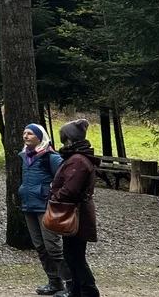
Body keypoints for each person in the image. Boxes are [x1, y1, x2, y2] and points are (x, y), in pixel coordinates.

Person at [19, 123, 69, 296]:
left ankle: (70, 283)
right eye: (24, 133)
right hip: (29, 205)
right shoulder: (24, 156)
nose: (26, 136)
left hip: (46, 206)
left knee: (53, 246)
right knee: (40, 247)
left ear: (40, 137)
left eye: (30, 133)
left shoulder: (50, 157)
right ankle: (54, 281)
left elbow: (64, 179)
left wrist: (53, 196)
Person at [55, 118, 101, 297]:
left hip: (77, 213)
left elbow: (70, 190)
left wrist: (54, 196)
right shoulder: (77, 157)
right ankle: (76, 291)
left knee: (76, 256)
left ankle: (89, 291)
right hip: (75, 211)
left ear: (68, 138)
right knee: (71, 255)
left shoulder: (78, 160)